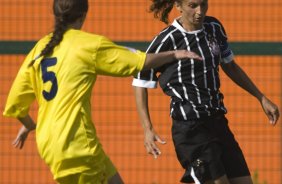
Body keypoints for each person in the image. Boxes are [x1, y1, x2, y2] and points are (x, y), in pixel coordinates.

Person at [3, 0, 203, 184]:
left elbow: (15, 104)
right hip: (77, 144)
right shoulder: (88, 45)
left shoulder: (40, 49)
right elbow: (140, 61)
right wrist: (175, 53)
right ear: (83, 14)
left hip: (49, 143)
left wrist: (29, 125)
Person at [132, 0, 280, 184]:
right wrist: (147, 129)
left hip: (217, 121)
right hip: (190, 128)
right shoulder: (167, 39)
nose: (199, 11)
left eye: (203, 4)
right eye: (192, 5)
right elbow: (140, 80)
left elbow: (230, 65)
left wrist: (261, 98)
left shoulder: (214, 27)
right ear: (178, 6)